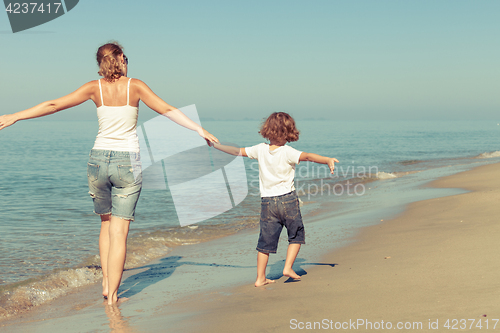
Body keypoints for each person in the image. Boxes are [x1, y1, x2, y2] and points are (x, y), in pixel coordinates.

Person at [0, 42, 219, 304]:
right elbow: (167, 110)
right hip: (127, 163)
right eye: (126, 57)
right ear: (121, 60)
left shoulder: (94, 88)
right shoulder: (134, 85)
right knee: (119, 232)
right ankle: (113, 297)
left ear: (100, 64)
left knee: (105, 224)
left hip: (97, 162)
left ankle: (106, 283)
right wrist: (198, 129)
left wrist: (15, 116)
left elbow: (53, 104)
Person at [212, 112, 338, 287]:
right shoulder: (287, 152)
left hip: (267, 203)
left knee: (265, 241)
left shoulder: (260, 149)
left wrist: (215, 145)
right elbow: (308, 156)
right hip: (288, 201)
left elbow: (235, 151)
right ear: (289, 132)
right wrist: (327, 160)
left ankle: (260, 278)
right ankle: (287, 268)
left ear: (267, 130)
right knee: (296, 235)